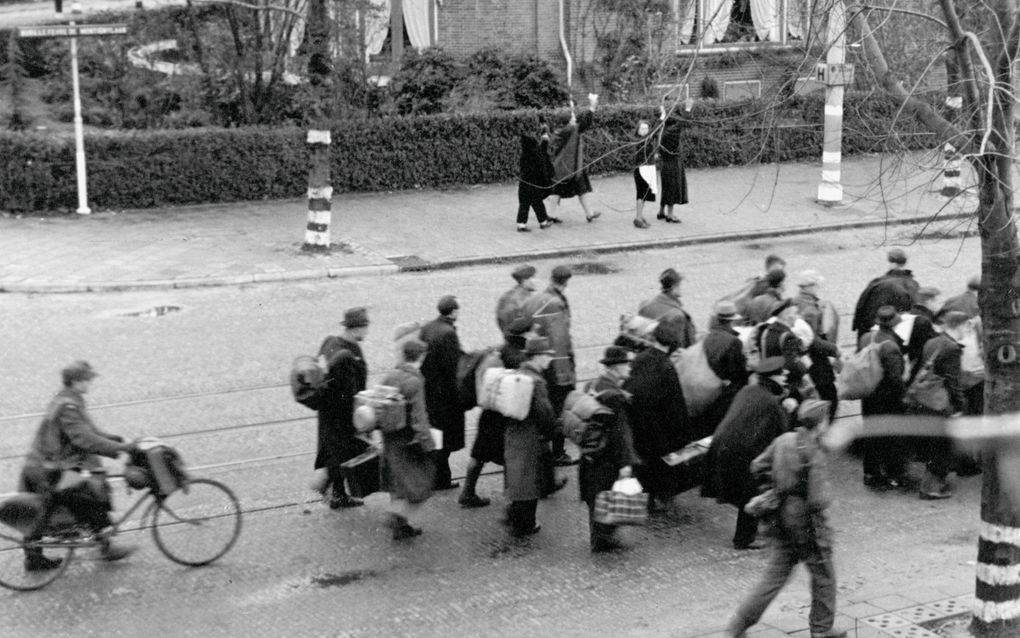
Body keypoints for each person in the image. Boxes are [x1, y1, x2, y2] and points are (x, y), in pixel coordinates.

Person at [726, 400, 846, 638]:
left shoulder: (783, 440)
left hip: (779, 516)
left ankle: (737, 626)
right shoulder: (813, 451)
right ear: (821, 423)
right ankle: (822, 630)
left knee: (775, 575)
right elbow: (818, 500)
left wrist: (775, 487)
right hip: (807, 524)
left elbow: (757, 465)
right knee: (824, 576)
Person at [19, 361, 136, 570]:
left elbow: (90, 432)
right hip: (48, 468)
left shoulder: (66, 399)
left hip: (39, 464)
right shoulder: (69, 406)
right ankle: (106, 547)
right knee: (87, 496)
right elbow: (84, 439)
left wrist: (118, 441)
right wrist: (122, 448)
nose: (90, 383)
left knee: (43, 510)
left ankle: (34, 559)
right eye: (87, 380)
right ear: (76, 381)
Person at [703, 356, 792, 550]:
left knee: (745, 491)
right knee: (752, 491)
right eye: (781, 373)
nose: (786, 375)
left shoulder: (748, 390)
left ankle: (754, 530)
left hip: (723, 446)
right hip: (742, 453)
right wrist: (787, 409)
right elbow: (783, 432)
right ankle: (744, 539)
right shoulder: (770, 402)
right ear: (772, 378)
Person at [457, 317, 532, 509]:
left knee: (479, 454)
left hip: (488, 412)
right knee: (510, 457)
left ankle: (468, 492)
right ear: (524, 334)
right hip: (505, 415)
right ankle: (511, 502)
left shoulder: (498, 350)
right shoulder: (518, 357)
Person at [623, 322, 692, 510]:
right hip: (657, 427)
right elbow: (675, 405)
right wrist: (683, 434)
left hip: (636, 422)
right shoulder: (667, 366)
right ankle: (656, 498)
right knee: (659, 465)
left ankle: (643, 494)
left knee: (642, 462)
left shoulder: (639, 359)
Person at [580, 346, 640, 552]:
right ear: (615, 368)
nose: (629, 369)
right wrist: (625, 463)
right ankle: (602, 540)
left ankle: (599, 536)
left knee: (596, 496)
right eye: (626, 364)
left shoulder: (592, 385)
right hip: (607, 455)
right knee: (607, 494)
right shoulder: (614, 396)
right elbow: (620, 432)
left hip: (591, 451)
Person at [379, 340, 436, 540]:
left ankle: (401, 528)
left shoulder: (390, 376)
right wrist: (428, 444)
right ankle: (397, 517)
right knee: (421, 481)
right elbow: (419, 417)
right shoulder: (414, 381)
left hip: (389, 438)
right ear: (421, 357)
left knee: (397, 481)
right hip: (407, 440)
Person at [316, 307, 371, 509]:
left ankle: (336, 492)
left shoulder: (331, 341)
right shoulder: (348, 354)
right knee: (342, 452)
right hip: (343, 413)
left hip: (328, 411)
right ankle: (334, 492)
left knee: (336, 452)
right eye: (366, 327)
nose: (367, 332)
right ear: (357, 328)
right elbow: (349, 390)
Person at [504, 337, 558, 537]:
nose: (549, 360)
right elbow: (544, 413)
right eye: (547, 356)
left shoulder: (518, 373)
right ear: (537, 357)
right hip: (531, 435)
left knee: (518, 479)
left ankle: (516, 517)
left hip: (513, 433)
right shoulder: (536, 381)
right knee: (530, 481)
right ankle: (525, 525)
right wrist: (553, 432)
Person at [525, 265, 577, 466]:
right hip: (556, 366)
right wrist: (566, 375)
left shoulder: (538, 297)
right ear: (566, 282)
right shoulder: (556, 303)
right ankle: (557, 453)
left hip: (541, 360)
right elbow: (560, 340)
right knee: (558, 409)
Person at [912, 311, 968, 500]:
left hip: (925, 401)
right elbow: (953, 382)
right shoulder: (952, 348)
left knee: (935, 445)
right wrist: (960, 407)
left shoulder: (932, 342)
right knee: (943, 447)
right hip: (940, 404)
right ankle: (930, 488)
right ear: (959, 326)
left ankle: (931, 485)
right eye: (966, 327)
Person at [858, 306, 909, 490]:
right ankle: (893, 474)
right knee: (892, 437)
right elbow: (895, 378)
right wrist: (904, 397)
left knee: (871, 434)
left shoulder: (866, 337)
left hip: (868, 393)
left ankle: (870, 472)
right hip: (887, 398)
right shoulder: (891, 346)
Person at [419, 295, 466, 490]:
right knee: (445, 438)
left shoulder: (428, 327)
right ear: (454, 311)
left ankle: (437, 477)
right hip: (444, 395)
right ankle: (440, 479)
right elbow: (451, 368)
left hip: (429, 390)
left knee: (436, 434)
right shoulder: (448, 333)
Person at [698, 300, 751, 439]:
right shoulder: (733, 342)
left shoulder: (708, 336)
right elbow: (738, 374)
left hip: (707, 387)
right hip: (723, 394)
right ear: (732, 321)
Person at [547, 93, 602, 223]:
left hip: (565, 167)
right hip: (569, 168)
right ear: (568, 121)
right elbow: (584, 122)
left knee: (576, 189)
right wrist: (592, 106)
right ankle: (551, 215)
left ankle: (588, 213)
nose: (574, 118)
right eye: (572, 117)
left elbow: (579, 121)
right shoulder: (570, 130)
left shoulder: (560, 130)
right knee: (561, 191)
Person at [851, 248, 920, 338]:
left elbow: (861, 306)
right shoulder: (913, 285)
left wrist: (856, 325)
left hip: (872, 331)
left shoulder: (875, 283)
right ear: (904, 262)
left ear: (889, 261)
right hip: (903, 333)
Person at [637, 267, 697, 351]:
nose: (680, 288)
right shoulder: (678, 315)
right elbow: (680, 348)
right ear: (674, 287)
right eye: (679, 285)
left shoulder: (644, 305)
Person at [515, 124, 555, 232]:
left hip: (523, 185)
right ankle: (543, 222)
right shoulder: (537, 156)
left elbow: (540, 149)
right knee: (538, 204)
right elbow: (542, 153)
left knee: (524, 204)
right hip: (534, 186)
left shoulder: (524, 156)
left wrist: (544, 137)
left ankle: (521, 224)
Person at [655, 104, 690, 223]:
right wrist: (688, 109)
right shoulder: (672, 131)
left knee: (666, 188)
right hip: (673, 162)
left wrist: (662, 114)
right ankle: (670, 215)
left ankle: (661, 211)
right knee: (672, 188)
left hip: (664, 162)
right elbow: (683, 122)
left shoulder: (662, 129)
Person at [496, 264, 538, 336]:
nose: (536, 281)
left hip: (508, 334)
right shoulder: (524, 298)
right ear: (525, 280)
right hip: (519, 336)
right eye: (533, 278)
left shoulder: (510, 294)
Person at [632, 119, 658, 229]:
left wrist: (653, 156)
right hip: (641, 170)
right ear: (638, 130)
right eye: (642, 128)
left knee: (644, 194)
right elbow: (656, 130)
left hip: (648, 168)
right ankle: (638, 218)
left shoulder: (647, 140)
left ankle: (640, 216)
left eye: (646, 128)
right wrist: (662, 117)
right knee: (641, 194)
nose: (645, 131)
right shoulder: (640, 140)